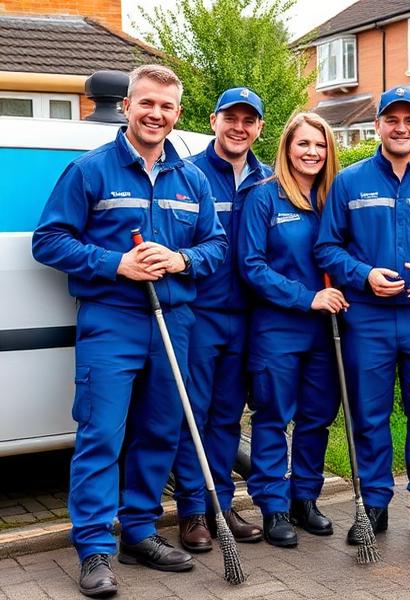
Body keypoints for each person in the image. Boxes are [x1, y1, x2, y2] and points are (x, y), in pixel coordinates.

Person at [31, 64, 227, 598]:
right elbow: (48, 240)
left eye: (166, 107)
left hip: (175, 321)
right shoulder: (90, 170)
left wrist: (181, 258)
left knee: (160, 431)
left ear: (178, 113)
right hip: (112, 320)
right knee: (102, 435)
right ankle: (95, 548)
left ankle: (140, 531)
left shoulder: (193, 181)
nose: (156, 114)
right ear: (129, 106)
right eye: (147, 104)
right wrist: (116, 264)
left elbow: (217, 247)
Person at [315, 86, 410, 544]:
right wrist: (362, 275)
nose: (400, 127)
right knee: (369, 414)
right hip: (368, 317)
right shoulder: (349, 182)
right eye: (391, 119)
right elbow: (327, 246)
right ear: (377, 125)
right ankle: (374, 505)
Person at [238, 112, 346, 547]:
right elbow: (251, 266)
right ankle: (273, 505)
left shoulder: (335, 197)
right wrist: (306, 298)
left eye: (319, 145)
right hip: (279, 327)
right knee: (273, 417)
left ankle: (305, 497)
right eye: (303, 144)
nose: (312, 152)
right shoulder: (264, 197)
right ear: (287, 147)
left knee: (317, 417)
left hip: (328, 330)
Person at [171, 87, 269, 552]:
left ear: (259, 129)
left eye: (249, 120)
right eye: (231, 117)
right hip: (199, 314)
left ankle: (221, 505)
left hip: (247, 317)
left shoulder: (269, 181)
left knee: (228, 418)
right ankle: (191, 512)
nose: (239, 127)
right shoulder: (188, 177)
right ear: (214, 121)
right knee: (195, 415)